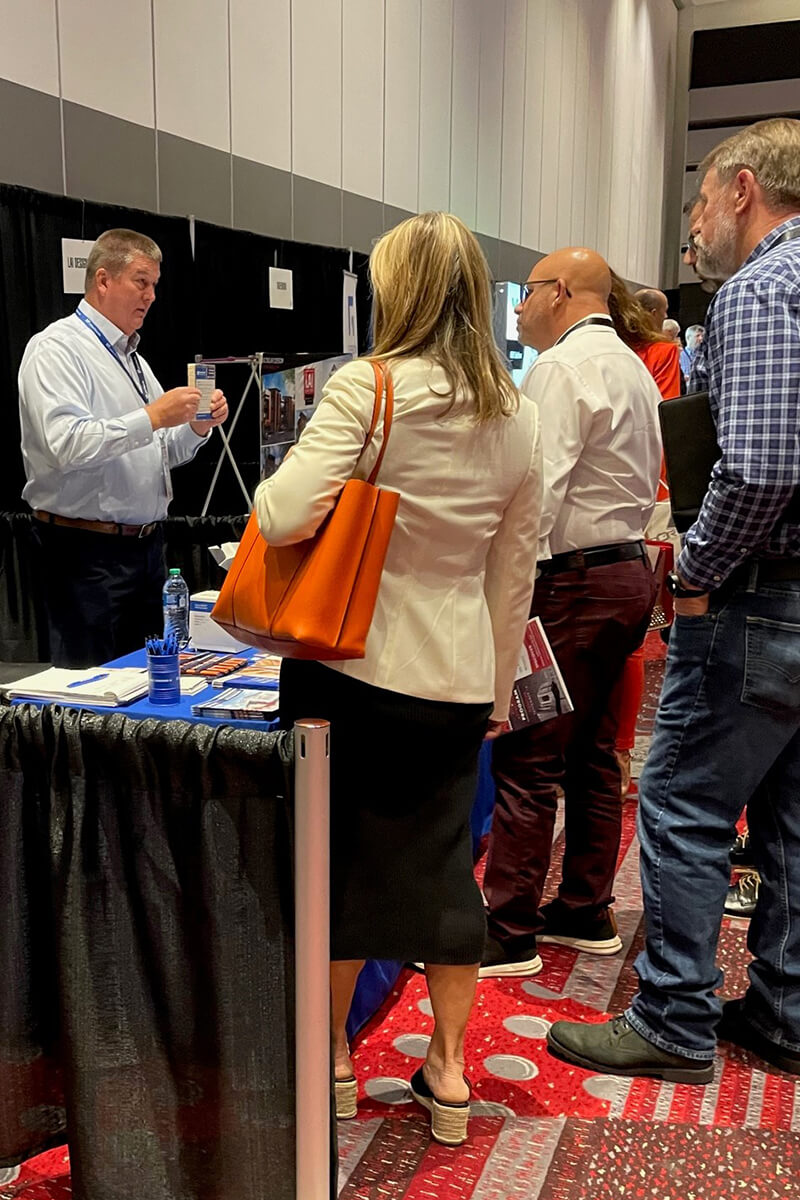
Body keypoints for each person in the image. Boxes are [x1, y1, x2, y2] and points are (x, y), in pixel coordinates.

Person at [255, 212, 542, 1145]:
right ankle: (450, 1072)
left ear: (400, 291)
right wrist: (498, 692)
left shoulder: (366, 387)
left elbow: (286, 512)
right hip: (456, 674)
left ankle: (336, 1063)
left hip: (352, 665)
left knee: (337, 864)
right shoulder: (518, 415)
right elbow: (515, 572)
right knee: (444, 865)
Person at [547, 117, 800, 1083]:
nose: (692, 225)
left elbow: (766, 464)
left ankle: (673, 1021)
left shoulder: (760, 290)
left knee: (685, 805)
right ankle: (782, 1010)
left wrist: (696, 564)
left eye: (697, 200)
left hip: (758, 595)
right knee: (788, 817)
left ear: (742, 189)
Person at [480, 248, 660, 980]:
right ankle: (583, 908)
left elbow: (537, 497)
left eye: (526, 294)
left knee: (530, 752)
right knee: (590, 752)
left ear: (559, 294)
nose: (517, 309)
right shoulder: (633, 365)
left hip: (572, 582)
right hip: (623, 575)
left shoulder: (557, 369)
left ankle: (509, 927)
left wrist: (501, 598)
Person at [18, 228, 228, 668]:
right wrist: (153, 416)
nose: (151, 296)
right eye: (141, 281)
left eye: (154, 284)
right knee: (91, 691)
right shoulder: (55, 349)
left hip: (145, 551)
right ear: (102, 280)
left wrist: (196, 427)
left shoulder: (132, 357)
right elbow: (67, 444)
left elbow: (161, 451)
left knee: (145, 683)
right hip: (84, 553)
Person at [606, 273, 682, 795]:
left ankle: (609, 753)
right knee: (631, 637)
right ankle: (615, 756)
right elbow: (663, 420)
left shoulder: (635, 353)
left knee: (621, 638)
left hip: (626, 502)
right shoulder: (653, 353)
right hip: (643, 499)